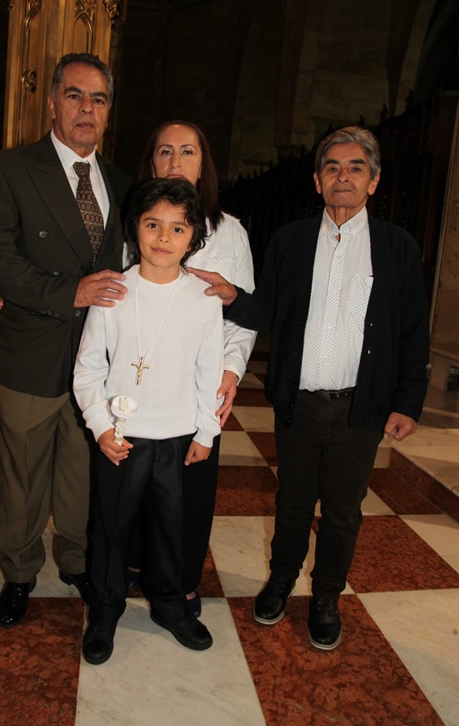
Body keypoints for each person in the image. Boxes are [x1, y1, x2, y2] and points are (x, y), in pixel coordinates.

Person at [188, 126, 429, 650]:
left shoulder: (397, 248)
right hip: (299, 404)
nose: (343, 176)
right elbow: (268, 308)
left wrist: (408, 402)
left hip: (359, 409)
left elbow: (413, 331)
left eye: (355, 168)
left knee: (342, 509)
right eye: (332, 168)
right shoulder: (291, 241)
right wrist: (232, 294)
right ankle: (280, 580)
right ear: (318, 183)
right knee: (293, 501)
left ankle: (325, 597)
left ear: (374, 181)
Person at [0, 52, 130, 628]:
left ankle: (78, 560)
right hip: (34, 354)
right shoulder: (9, 168)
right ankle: (18, 571)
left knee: (84, 473)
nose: (87, 109)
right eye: (76, 96)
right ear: (53, 101)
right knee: (23, 475)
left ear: (110, 111)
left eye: (99, 99)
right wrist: (69, 292)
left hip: (99, 365)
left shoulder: (121, 181)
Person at [73, 177, 224, 664]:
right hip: (122, 438)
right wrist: (99, 426)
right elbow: (89, 369)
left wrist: (206, 431)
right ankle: (106, 609)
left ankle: (169, 606)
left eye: (177, 229)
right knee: (112, 529)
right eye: (152, 224)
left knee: (170, 529)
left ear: (193, 236)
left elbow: (208, 370)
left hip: (178, 439)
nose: (163, 237)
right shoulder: (115, 291)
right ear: (134, 228)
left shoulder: (202, 299)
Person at [137, 120, 256, 615]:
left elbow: (243, 315)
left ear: (203, 163)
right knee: (139, 479)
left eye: (187, 151)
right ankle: (138, 565)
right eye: (165, 151)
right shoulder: (138, 222)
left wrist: (229, 372)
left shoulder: (231, 231)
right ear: (152, 163)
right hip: (143, 379)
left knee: (191, 485)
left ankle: (183, 578)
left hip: (203, 385)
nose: (175, 161)